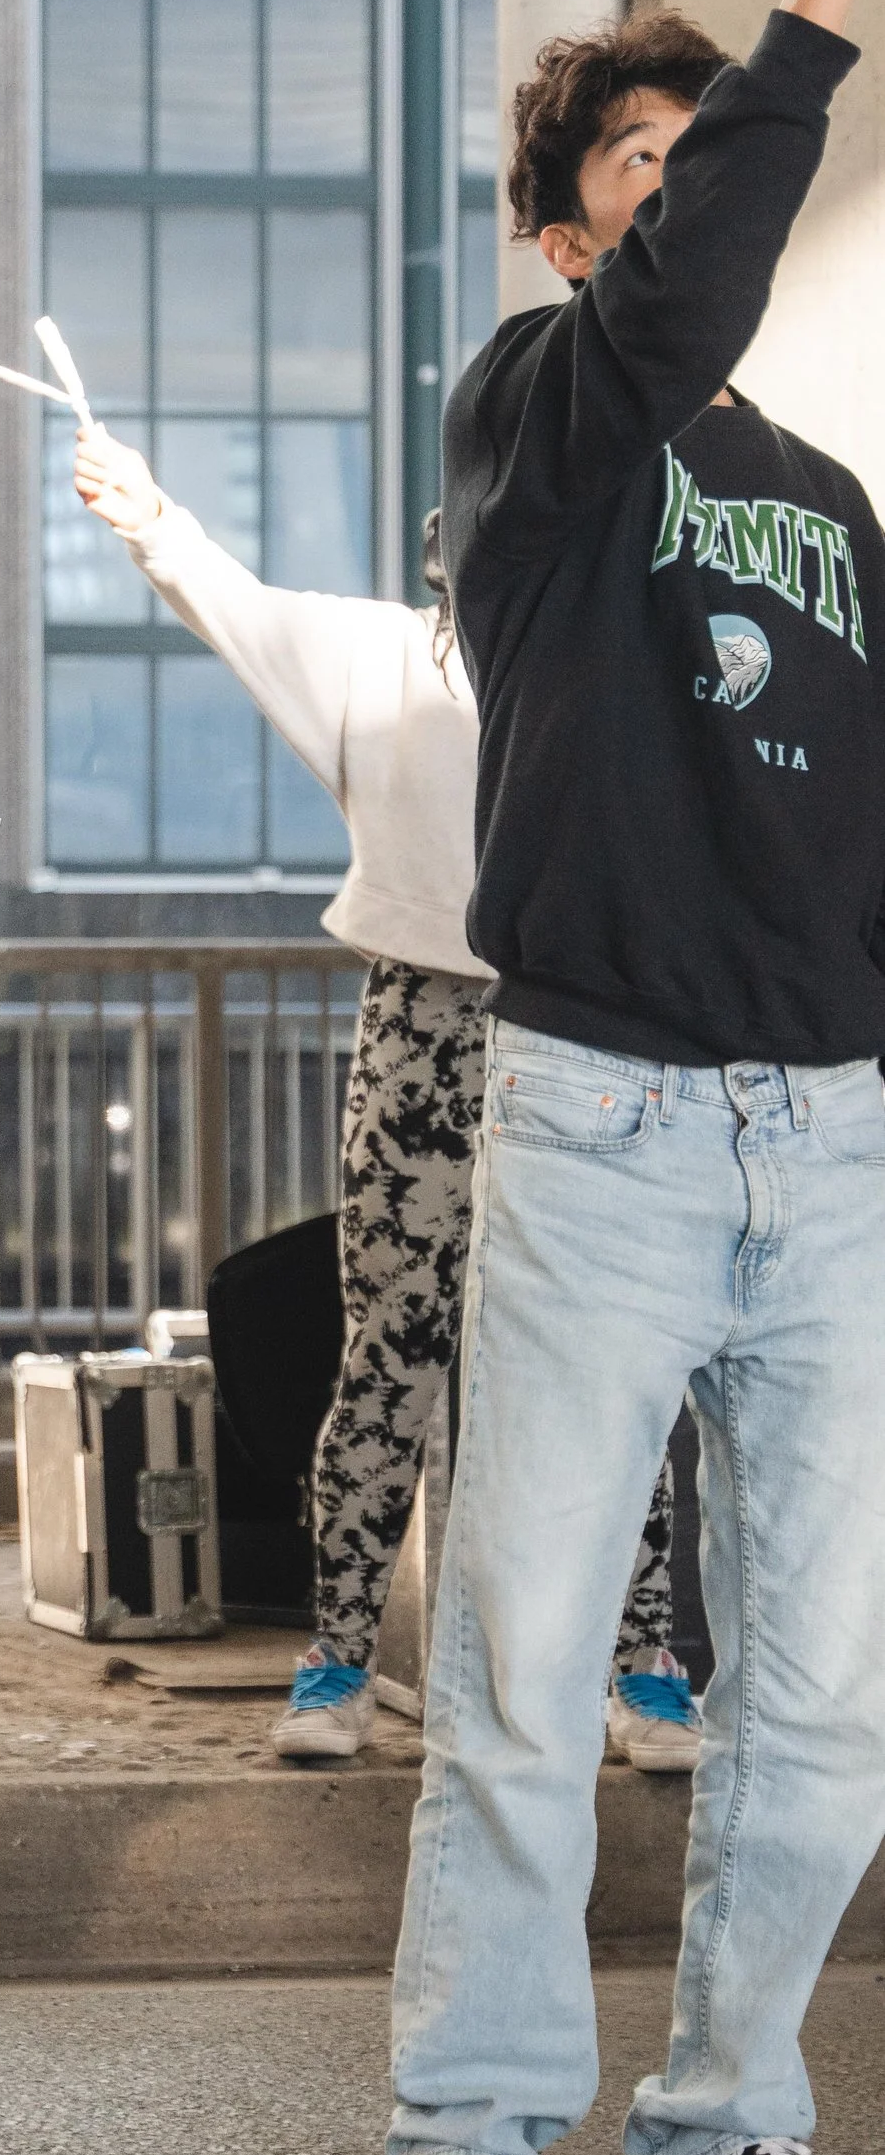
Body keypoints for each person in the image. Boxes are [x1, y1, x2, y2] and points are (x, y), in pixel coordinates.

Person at [388, 0, 885, 2155]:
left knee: (824, 1694)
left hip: (837, 1139)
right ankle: (474, 2129)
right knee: (530, 1654)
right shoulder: (534, 425)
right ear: (571, 226)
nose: (686, 200)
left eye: (713, 158)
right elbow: (683, 286)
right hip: (601, 1117)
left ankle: (727, 2122)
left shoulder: (830, 497)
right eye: (647, 169)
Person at [65, 432, 691, 1771]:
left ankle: (643, 1671)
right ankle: (339, 1661)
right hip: (421, 1018)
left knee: (611, 1358)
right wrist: (147, 512)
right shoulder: (374, 660)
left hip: (579, 1024)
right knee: (391, 1351)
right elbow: (231, 605)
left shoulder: (612, 673)